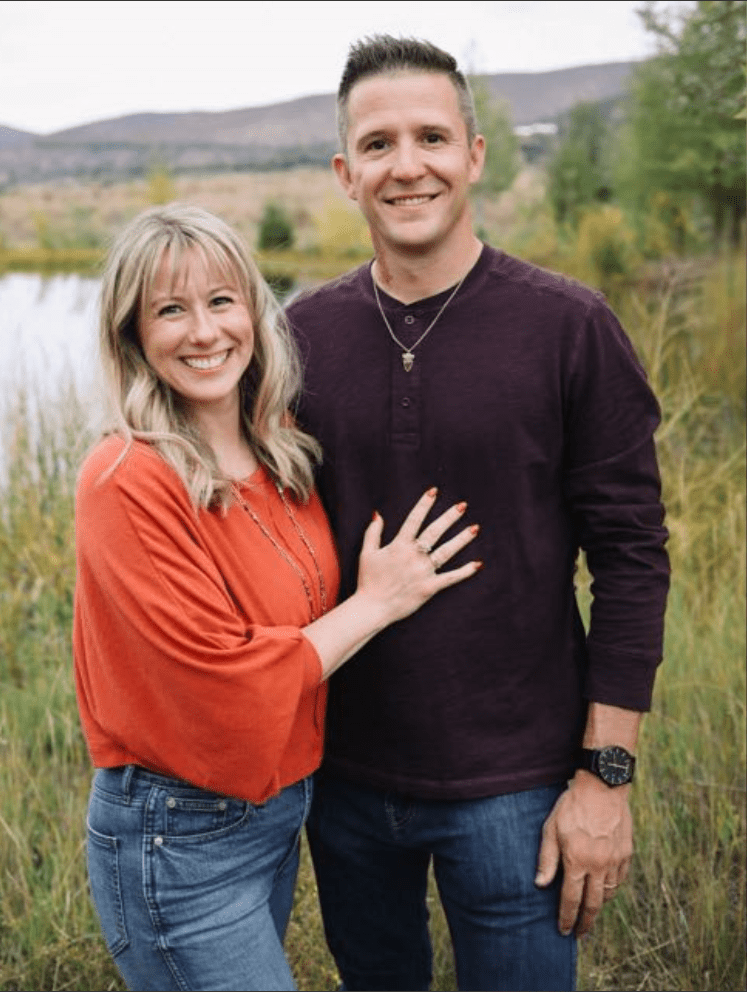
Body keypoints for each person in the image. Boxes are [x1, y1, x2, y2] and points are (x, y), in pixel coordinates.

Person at [286, 36, 670, 992]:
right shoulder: (295, 339)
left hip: (521, 787)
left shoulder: (569, 327)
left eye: (431, 137)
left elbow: (632, 558)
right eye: (378, 144)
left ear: (476, 154)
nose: (406, 165)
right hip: (343, 781)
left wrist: (605, 778)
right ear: (345, 172)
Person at [72, 203, 482, 992]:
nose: (203, 331)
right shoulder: (127, 479)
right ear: (132, 336)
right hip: (177, 835)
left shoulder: (278, 452)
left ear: (254, 313)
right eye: (169, 310)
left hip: (273, 816)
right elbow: (225, 683)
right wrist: (379, 601)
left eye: (222, 301)